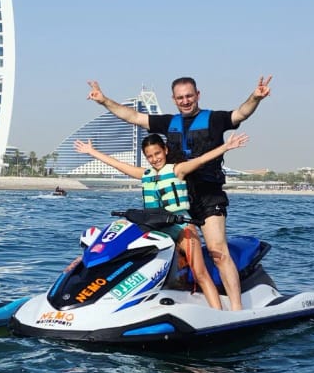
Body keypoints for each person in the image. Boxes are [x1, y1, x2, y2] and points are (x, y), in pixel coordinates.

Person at [85, 75, 272, 310]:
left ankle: (236, 311)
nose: (185, 101)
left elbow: (240, 114)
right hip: (177, 200)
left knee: (217, 251)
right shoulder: (168, 122)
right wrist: (103, 100)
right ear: (174, 99)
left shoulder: (214, 119)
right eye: (180, 97)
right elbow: (132, 116)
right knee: (168, 251)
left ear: (198, 95)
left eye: (189, 96)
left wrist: (255, 97)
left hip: (208, 196)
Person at [72, 133, 248, 310]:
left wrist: (226, 146)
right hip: (156, 230)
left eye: (157, 153)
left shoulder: (177, 170)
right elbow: (118, 165)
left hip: (181, 227)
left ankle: (217, 313)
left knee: (200, 273)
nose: (154, 159)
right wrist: (91, 151)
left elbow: (202, 160)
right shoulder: (145, 174)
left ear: (165, 150)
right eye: (149, 156)